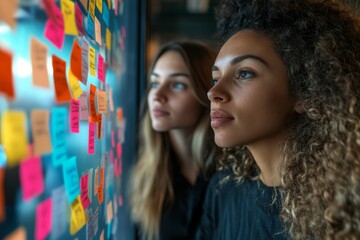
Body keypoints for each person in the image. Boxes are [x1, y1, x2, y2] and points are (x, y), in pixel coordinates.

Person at [196, 0, 360, 239]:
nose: (213, 92)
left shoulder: (346, 206)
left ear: (305, 92)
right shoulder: (222, 190)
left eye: (244, 73)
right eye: (215, 78)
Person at [129, 40, 221, 240]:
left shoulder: (232, 174)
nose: (158, 95)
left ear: (208, 93)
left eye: (177, 84)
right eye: (154, 83)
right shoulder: (144, 174)